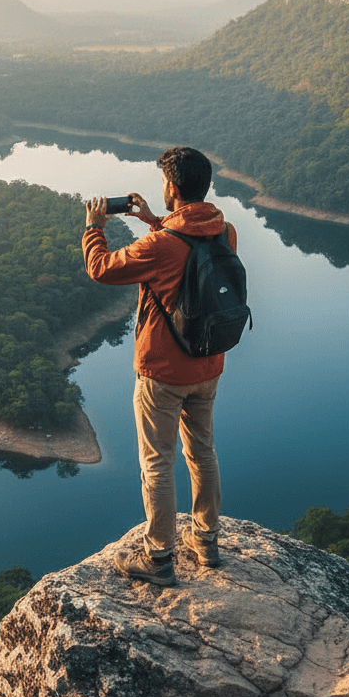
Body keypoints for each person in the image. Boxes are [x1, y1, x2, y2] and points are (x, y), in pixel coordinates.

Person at [82, 146, 236, 587]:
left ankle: (159, 557)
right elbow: (185, 250)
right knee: (202, 451)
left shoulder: (159, 245)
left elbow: (101, 268)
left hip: (163, 373)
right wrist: (153, 220)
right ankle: (206, 542)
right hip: (209, 365)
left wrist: (96, 227)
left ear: (171, 187)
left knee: (157, 462)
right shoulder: (226, 231)